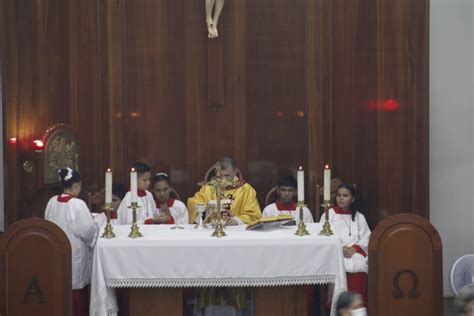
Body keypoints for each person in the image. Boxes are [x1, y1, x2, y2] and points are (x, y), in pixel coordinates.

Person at [44, 167, 106, 316]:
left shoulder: (51, 202)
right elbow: (88, 232)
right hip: (75, 256)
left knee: (60, 290)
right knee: (77, 298)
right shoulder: (77, 204)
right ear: (77, 185)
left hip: (56, 255)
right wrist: (97, 222)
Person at [320, 184, 370, 307]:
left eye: (345, 196)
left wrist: (355, 248)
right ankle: (338, 309)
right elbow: (323, 235)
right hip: (337, 254)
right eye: (339, 195)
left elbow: (367, 237)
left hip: (355, 254)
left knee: (360, 265)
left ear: (352, 199)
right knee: (340, 266)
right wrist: (340, 248)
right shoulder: (329, 214)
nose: (341, 198)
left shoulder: (359, 217)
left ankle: (356, 309)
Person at [188, 156, 261, 225]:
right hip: (211, 230)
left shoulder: (246, 190)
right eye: (220, 176)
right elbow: (193, 202)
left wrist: (236, 220)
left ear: (235, 172)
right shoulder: (208, 188)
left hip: (237, 232)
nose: (223, 180)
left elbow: (254, 215)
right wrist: (207, 209)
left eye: (227, 176)